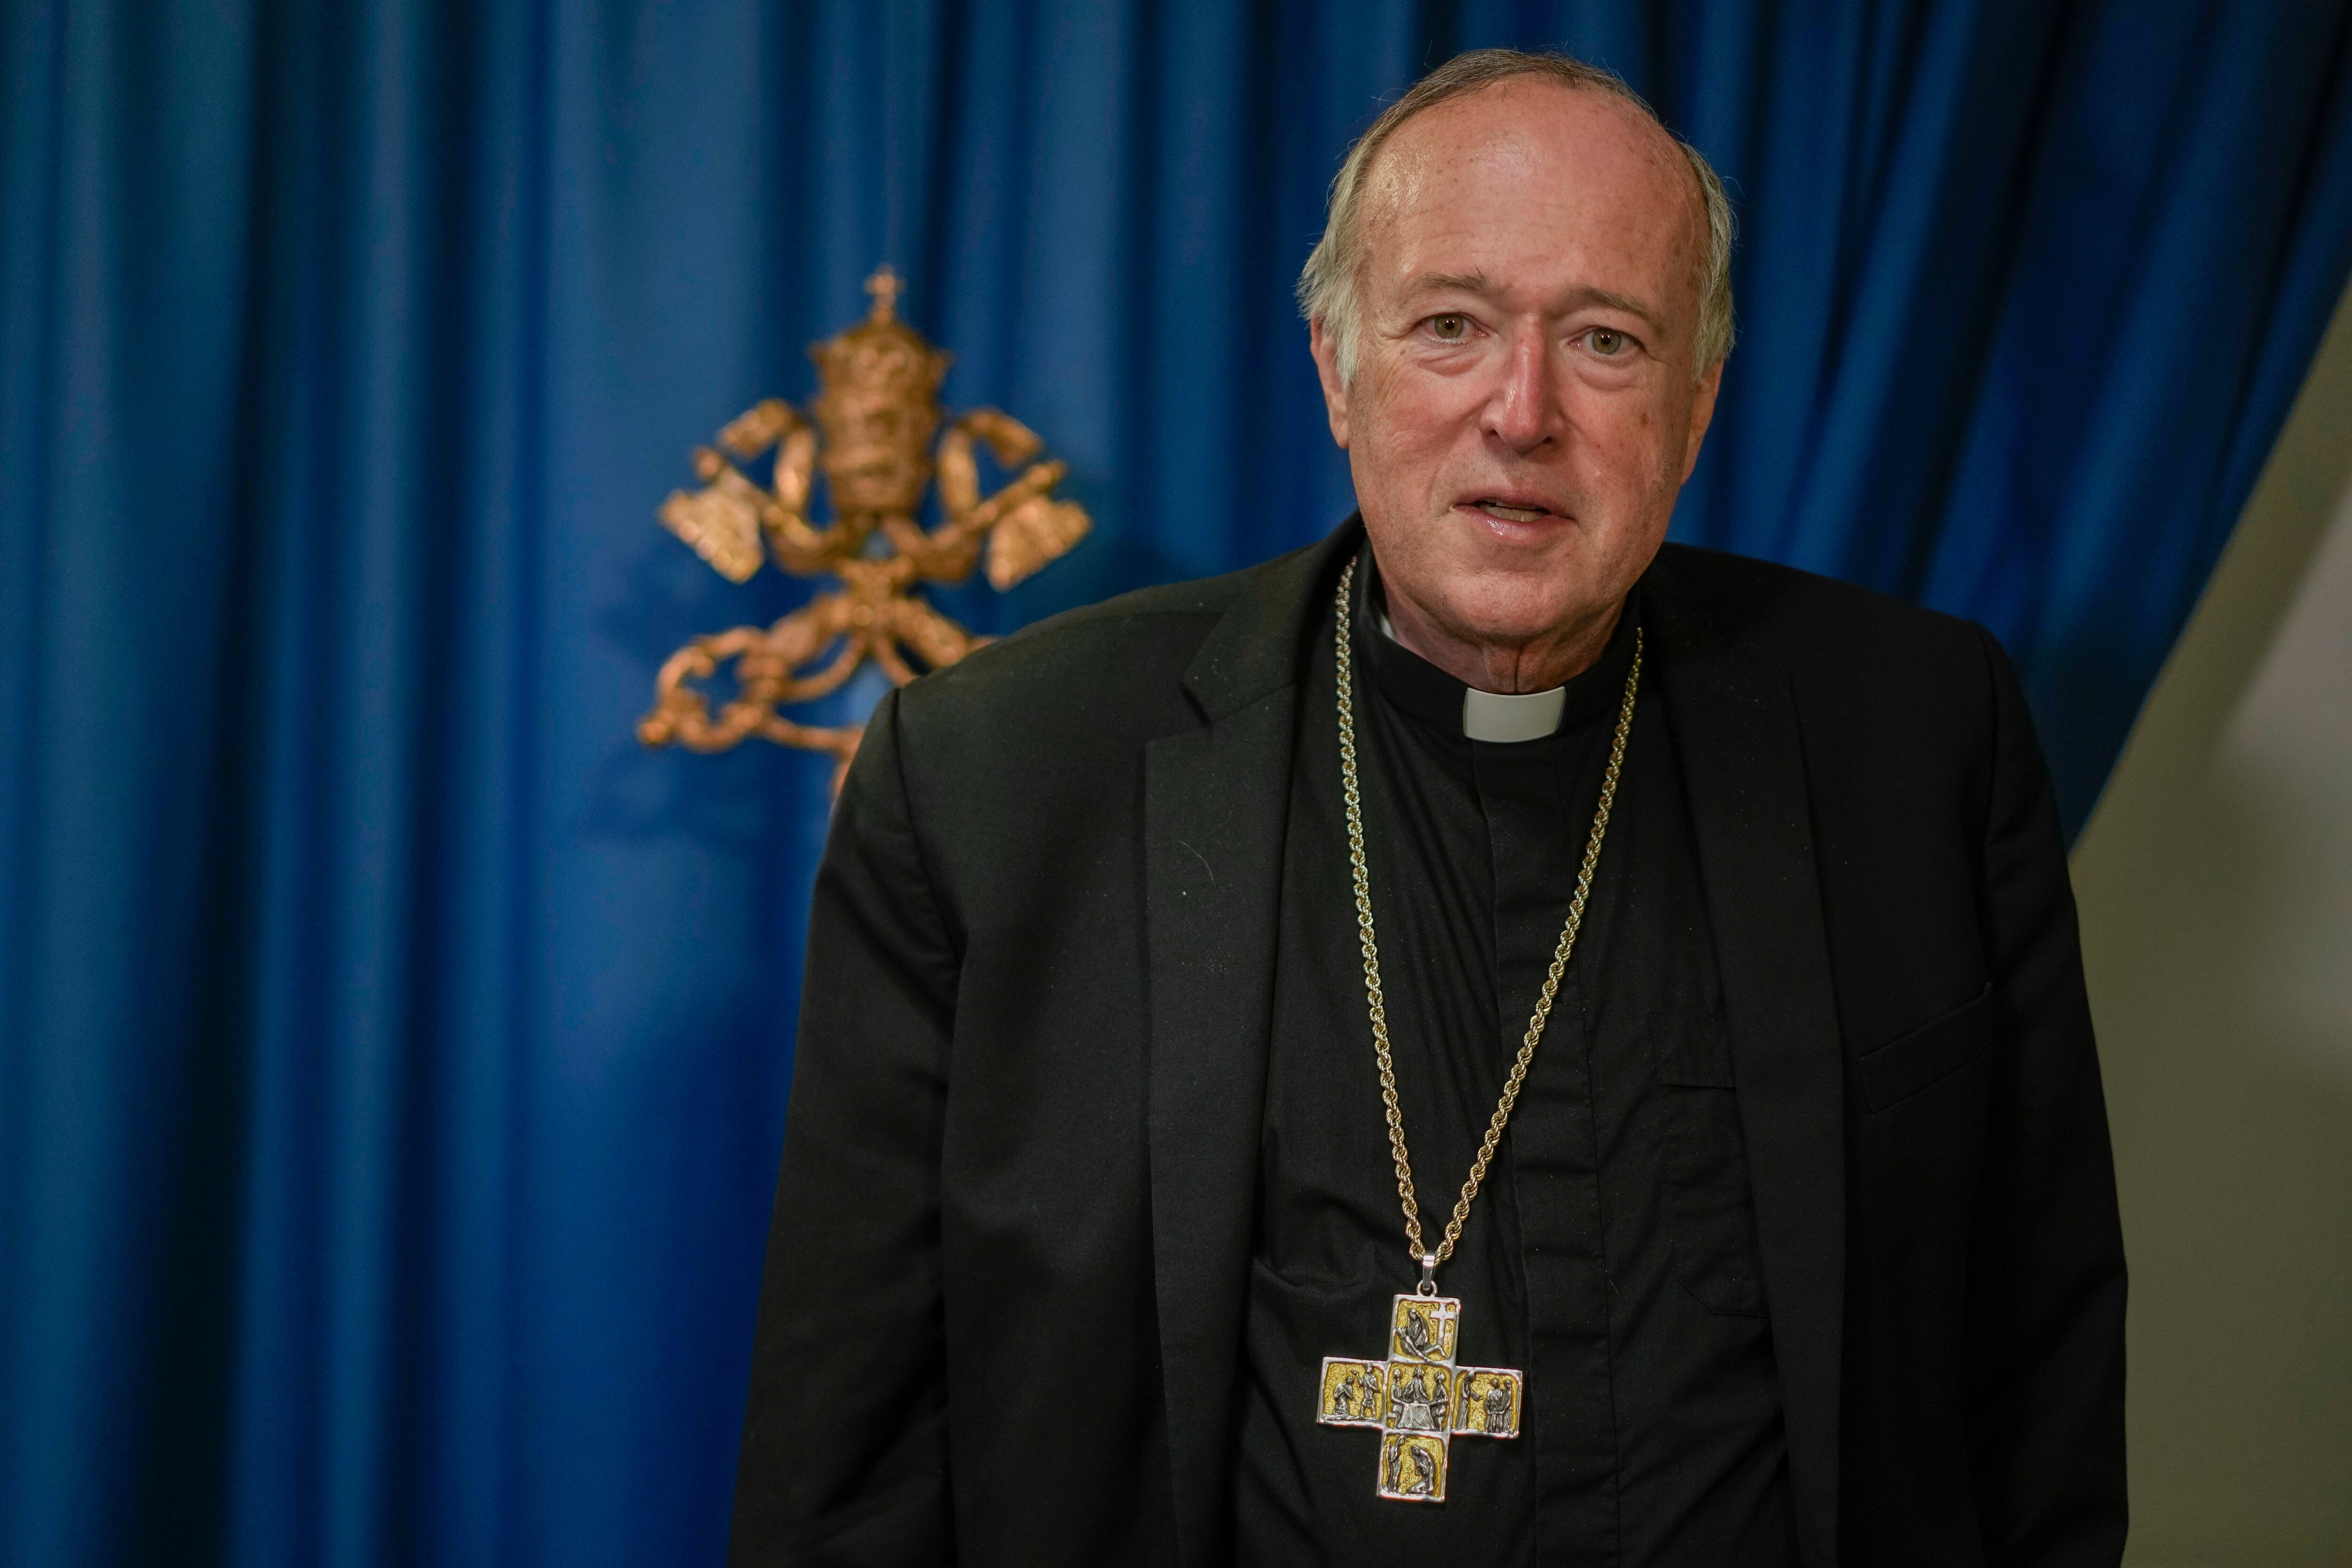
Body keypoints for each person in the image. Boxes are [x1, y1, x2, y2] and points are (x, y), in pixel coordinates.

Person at [728, 47, 2126, 1568]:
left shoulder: (1915, 742)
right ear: (1338, 369)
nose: (1521, 413)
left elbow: (2038, 1360)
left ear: (1698, 403)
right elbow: (847, 1457)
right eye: (1451, 326)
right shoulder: (999, 780)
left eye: (1605, 340)